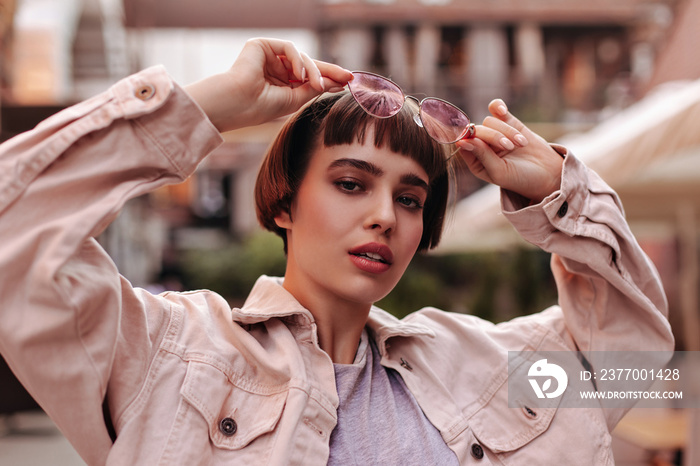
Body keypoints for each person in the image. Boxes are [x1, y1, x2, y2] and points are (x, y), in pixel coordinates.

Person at [0, 37, 673, 465]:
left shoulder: (482, 367)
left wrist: (559, 192)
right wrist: (205, 108)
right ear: (285, 202)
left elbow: (631, 363)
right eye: (351, 184)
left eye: (411, 199)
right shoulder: (169, 359)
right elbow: (15, 226)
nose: (384, 216)